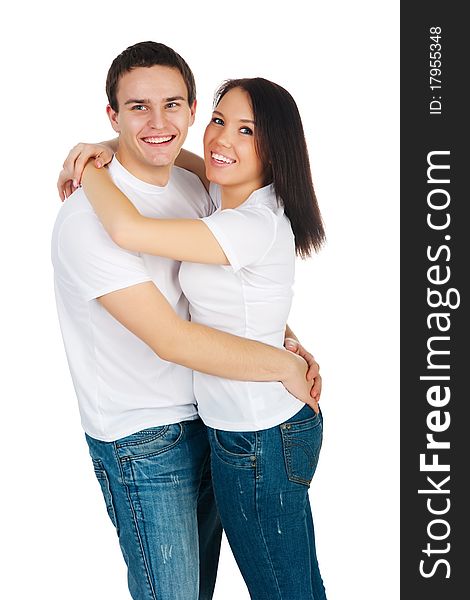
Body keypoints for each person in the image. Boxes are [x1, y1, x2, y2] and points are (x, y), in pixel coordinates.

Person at [52, 41, 321, 600]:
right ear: (113, 115)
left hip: (222, 424)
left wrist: (284, 346)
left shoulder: (197, 187)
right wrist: (280, 361)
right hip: (144, 440)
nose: (158, 122)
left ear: (189, 110)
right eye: (137, 109)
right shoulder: (86, 221)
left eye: (173, 105)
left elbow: (230, 286)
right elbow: (174, 336)